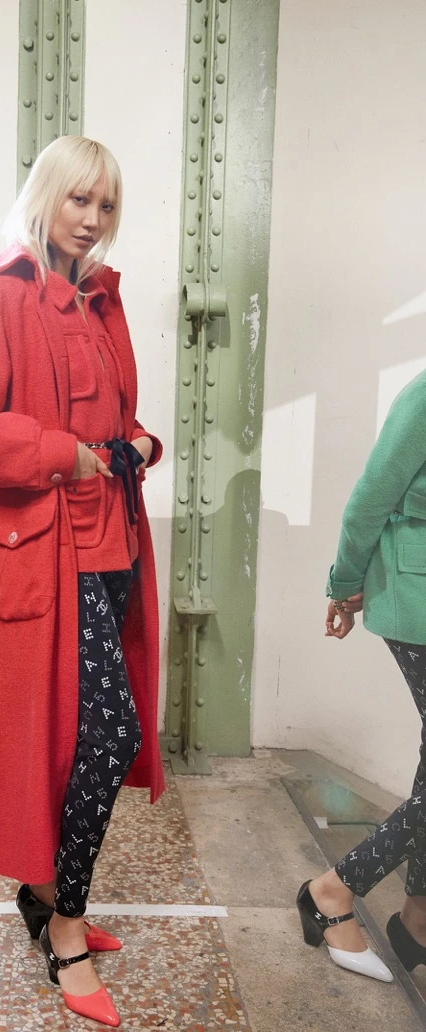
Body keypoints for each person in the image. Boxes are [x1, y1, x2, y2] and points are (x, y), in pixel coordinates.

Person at [0, 136, 165, 1027]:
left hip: (113, 544)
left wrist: (136, 442)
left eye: (107, 204)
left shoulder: (103, 304)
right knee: (106, 735)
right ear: (44, 197)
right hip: (45, 551)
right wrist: (65, 454)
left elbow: (112, 418)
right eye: (79, 199)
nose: (93, 219)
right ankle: (64, 927)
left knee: (86, 739)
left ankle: (45, 894)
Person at [297, 370, 426, 983]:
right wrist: (345, 583)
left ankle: (418, 919)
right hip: (418, 601)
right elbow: (371, 499)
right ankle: (333, 888)